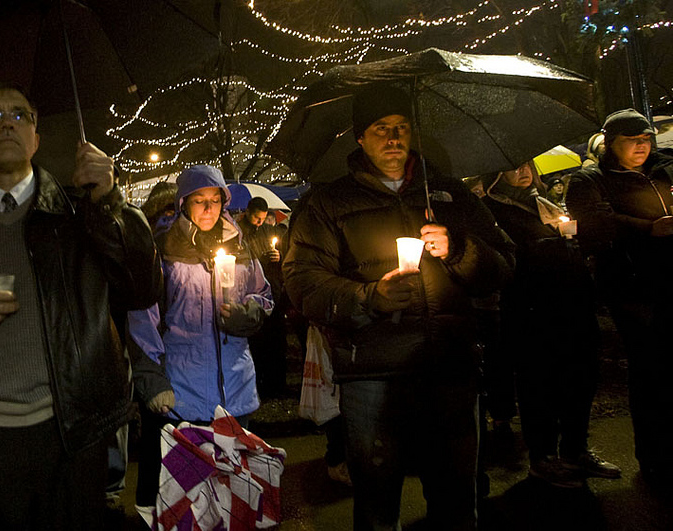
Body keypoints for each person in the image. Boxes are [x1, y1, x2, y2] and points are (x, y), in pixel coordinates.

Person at [0, 83, 163, 529]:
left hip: (69, 433)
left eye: (21, 115)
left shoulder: (79, 219)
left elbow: (141, 289)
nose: (7, 122)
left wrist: (112, 202)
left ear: (36, 139)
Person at [283, 84, 513, 531]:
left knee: (456, 499)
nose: (393, 138)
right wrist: (369, 298)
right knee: (376, 501)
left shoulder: (449, 195)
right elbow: (302, 281)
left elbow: (504, 265)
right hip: (373, 374)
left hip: (449, 367)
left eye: (402, 128)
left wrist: (458, 247)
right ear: (361, 139)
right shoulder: (329, 203)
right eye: (381, 129)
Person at [128, 164, 274, 512]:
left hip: (235, 392)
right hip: (181, 396)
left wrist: (247, 314)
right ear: (183, 204)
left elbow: (263, 295)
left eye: (214, 200)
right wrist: (153, 381)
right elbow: (143, 319)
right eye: (199, 201)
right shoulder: (164, 250)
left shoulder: (239, 247)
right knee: (183, 498)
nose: (208, 209)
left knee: (228, 493)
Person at [482, 162, 619, 488]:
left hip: (573, 305)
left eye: (526, 164)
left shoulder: (543, 202)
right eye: (512, 168)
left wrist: (574, 239)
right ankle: (543, 458)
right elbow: (503, 260)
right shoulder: (493, 211)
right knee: (540, 385)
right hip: (532, 311)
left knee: (581, 378)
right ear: (496, 175)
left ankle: (575, 450)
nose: (522, 171)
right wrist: (545, 248)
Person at [566, 108, 673, 486]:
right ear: (611, 144)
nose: (642, 146)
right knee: (650, 370)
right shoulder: (589, 179)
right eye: (632, 140)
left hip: (667, 281)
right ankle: (655, 458)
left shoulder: (663, 169)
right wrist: (650, 229)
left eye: (646, 139)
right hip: (630, 286)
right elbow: (595, 223)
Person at [237, 196, 288, 399]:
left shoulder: (268, 231)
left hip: (273, 292)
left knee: (276, 342)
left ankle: (276, 383)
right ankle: (258, 383)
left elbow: (282, 252)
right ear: (248, 213)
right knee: (257, 344)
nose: (260, 222)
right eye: (257, 218)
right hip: (251, 294)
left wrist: (278, 257)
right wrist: (261, 261)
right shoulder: (239, 233)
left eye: (263, 218)